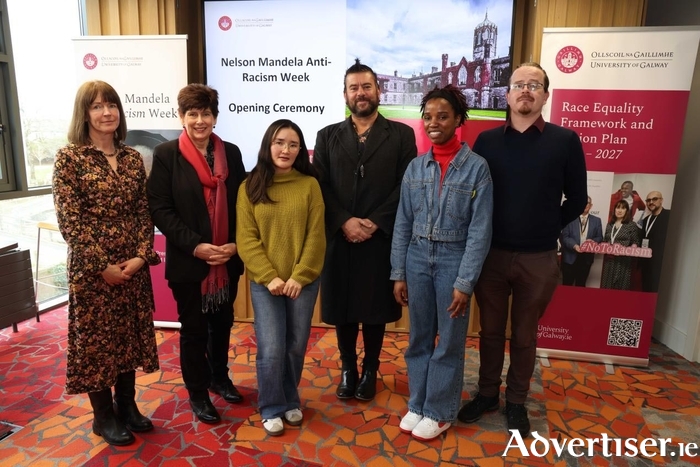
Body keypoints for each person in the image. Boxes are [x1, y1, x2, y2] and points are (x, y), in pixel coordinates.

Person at [456, 62, 587, 437]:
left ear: (545, 95)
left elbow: (577, 198)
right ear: (508, 94)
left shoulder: (565, 140)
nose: (526, 90)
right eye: (519, 85)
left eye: (534, 85)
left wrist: (547, 226)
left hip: (539, 258)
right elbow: (475, 196)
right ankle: (486, 395)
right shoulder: (487, 141)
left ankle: (516, 401)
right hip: (492, 255)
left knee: (525, 335)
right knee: (491, 332)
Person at [53, 80, 160, 446]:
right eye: (97, 106)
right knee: (97, 345)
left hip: (132, 265)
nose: (106, 112)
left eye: (111, 104)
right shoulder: (69, 158)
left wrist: (139, 257)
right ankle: (103, 417)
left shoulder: (132, 158)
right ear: (84, 113)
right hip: (91, 271)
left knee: (128, 338)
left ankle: (126, 407)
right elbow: (71, 221)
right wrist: (104, 266)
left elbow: (144, 212)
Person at [390, 85, 492, 441]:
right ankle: (418, 402)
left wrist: (465, 283)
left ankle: (440, 411)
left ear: (458, 120)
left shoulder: (477, 169)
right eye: (428, 116)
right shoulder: (416, 167)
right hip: (416, 258)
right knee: (418, 337)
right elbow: (402, 222)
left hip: (453, 260)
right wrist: (398, 272)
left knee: (448, 341)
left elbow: (480, 231)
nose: (434, 123)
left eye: (443, 116)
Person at [313, 59, 416, 401]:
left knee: (375, 309)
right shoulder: (327, 136)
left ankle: (370, 368)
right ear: (345, 94)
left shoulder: (401, 135)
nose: (361, 93)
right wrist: (344, 220)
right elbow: (320, 186)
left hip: (380, 237)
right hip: (340, 237)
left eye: (367, 86)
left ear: (378, 91)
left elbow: (406, 183)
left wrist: (375, 222)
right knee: (343, 308)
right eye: (354, 87)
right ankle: (348, 368)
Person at [147, 84, 246, 424]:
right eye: (192, 113)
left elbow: (242, 204)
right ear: (182, 117)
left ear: (215, 117)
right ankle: (199, 393)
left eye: (206, 113)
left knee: (223, 323)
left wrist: (235, 243)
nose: (200, 120)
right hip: (190, 262)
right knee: (194, 330)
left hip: (227, 260)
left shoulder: (231, 153)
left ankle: (220, 377)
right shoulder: (166, 154)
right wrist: (195, 245)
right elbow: (160, 208)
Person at [236, 119, 326, 436]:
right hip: (266, 284)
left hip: (303, 282)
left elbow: (316, 236)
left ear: (300, 150)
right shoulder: (250, 186)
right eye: (279, 142)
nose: (285, 149)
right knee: (272, 347)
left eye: (292, 144)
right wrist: (269, 276)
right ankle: (272, 405)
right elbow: (246, 239)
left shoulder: (309, 185)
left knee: (295, 346)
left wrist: (300, 276)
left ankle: (290, 399)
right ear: (268, 145)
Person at [560, 196, 603, 287]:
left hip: (586, 259)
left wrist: (592, 242)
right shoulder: (569, 218)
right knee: (567, 285)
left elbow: (599, 237)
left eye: (587, 203)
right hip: (570, 258)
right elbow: (565, 237)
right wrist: (575, 245)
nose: (585, 205)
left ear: (591, 206)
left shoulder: (597, 221)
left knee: (581, 285)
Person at [600, 200, 642, 290]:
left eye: (623, 208)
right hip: (609, 261)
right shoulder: (610, 224)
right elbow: (605, 240)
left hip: (623, 262)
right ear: (614, 209)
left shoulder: (631, 225)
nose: (619, 210)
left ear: (627, 211)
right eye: (618, 207)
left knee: (621, 288)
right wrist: (605, 245)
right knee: (606, 287)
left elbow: (636, 243)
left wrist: (625, 250)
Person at [638, 191, 671, 292]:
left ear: (661, 200)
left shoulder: (670, 216)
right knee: (645, 290)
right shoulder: (646, 219)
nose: (651, 202)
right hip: (646, 263)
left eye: (654, 199)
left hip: (660, 264)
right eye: (648, 200)